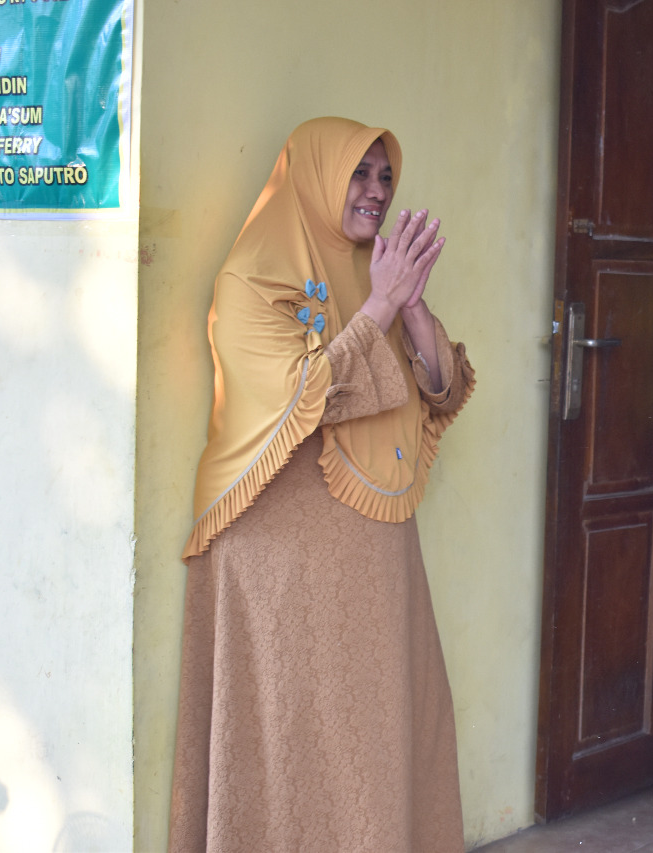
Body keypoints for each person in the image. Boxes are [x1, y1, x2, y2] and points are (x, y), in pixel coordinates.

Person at [169, 117, 475, 852]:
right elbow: (305, 396)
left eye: (385, 176)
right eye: (358, 173)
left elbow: (443, 390)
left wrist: (410, 306)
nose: (376, 191)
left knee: (376, 736)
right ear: (315, 177)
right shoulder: (249, 279)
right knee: (290, 740)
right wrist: (380, 305)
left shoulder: (378, 271)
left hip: (375, 547)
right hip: (278, 552)